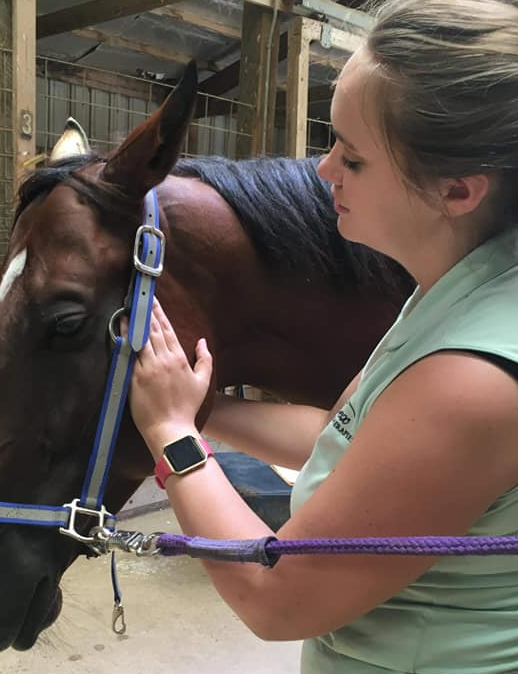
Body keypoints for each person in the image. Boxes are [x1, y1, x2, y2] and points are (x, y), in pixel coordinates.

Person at [126, 0, 518, 672]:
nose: (323, 170)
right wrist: (199, 408)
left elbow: (278, 598)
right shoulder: (459, 287)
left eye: (354, 158)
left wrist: (172, 438)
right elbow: (343, 443)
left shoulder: (471, 378)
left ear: (457, 192)